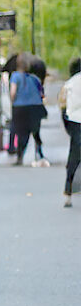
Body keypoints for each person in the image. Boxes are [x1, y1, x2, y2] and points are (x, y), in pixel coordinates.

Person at [10, 52, 46, 166]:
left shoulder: (15, 76)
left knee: (22, 133)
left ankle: (20, 157)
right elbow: (41, 94)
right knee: (36, 132)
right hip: (36, 107)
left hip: (20, 108)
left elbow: (13, 92)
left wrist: (13, 101)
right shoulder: (35, 78)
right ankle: (40, 153)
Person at [59, 57, 81, 207]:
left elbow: (62, 102)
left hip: (74, 121)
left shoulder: (69, 83)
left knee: (74, 155)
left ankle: (68, 191)